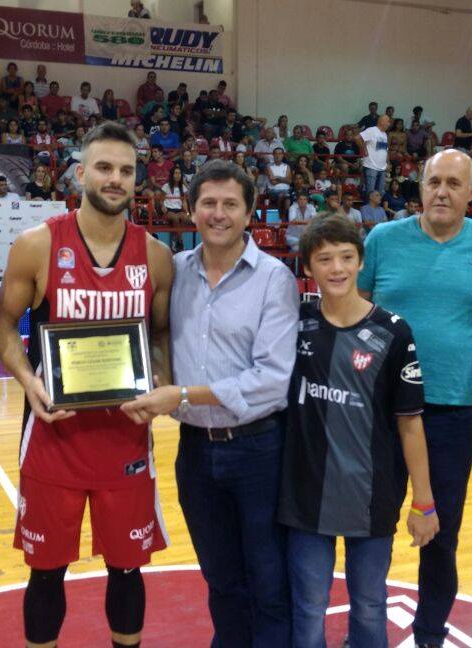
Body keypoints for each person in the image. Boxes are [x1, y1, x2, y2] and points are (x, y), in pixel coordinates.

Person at [0, 122, 174, 648]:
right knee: (46, 571)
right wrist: (27, 380)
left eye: (125, 170)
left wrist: (159, 377)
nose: (114, 179)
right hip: (54, 435)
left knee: (126, 569)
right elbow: (4, 328)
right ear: (80, 173)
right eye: (104, 167)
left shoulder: (155, 256)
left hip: (126, 438)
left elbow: (159, 335)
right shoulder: (37, 245)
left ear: (137, 179)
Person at [122, 159, 298, 646]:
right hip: (196, 450)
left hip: (259, 450)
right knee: (221, 578)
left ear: (249, 212)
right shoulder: (172, 272)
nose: (218, 214)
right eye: (208, 203)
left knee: (268, 578)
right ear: (192, 210)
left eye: (230, 204)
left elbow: (271, 381)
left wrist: (178, 395)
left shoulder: (274, 279)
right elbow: (145, 339)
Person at [358, 148, 472, 648]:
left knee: (441, 534)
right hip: (380, 411)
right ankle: (366, 633)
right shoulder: (383, 239)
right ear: (420, 186)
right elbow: (356, 311)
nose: (442, 192)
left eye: (454, 183)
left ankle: (429, 633)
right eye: (434, 182)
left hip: (453, 414)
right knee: (371, 530)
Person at [279, 214, 439, 647]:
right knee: (308, 605)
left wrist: (424, 502)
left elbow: (410, 424)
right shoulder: (295, 322)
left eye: (346, 257)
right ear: (308, 267)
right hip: (306, 496)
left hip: (372, 495)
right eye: (324, 258)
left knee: (370, 603)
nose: (336, 268)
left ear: (361, 262)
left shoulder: (392, 331)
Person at [358, 114, 391, 198]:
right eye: (388, 122)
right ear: (382, 121)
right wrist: (364, 149)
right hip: (371, 166)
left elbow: (385, 150)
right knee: (370, 192)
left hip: (382, 168)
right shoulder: (372, 130)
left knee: (380, 193)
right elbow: (357, 138)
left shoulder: (385, 134)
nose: (389, 124)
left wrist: (388, 163)